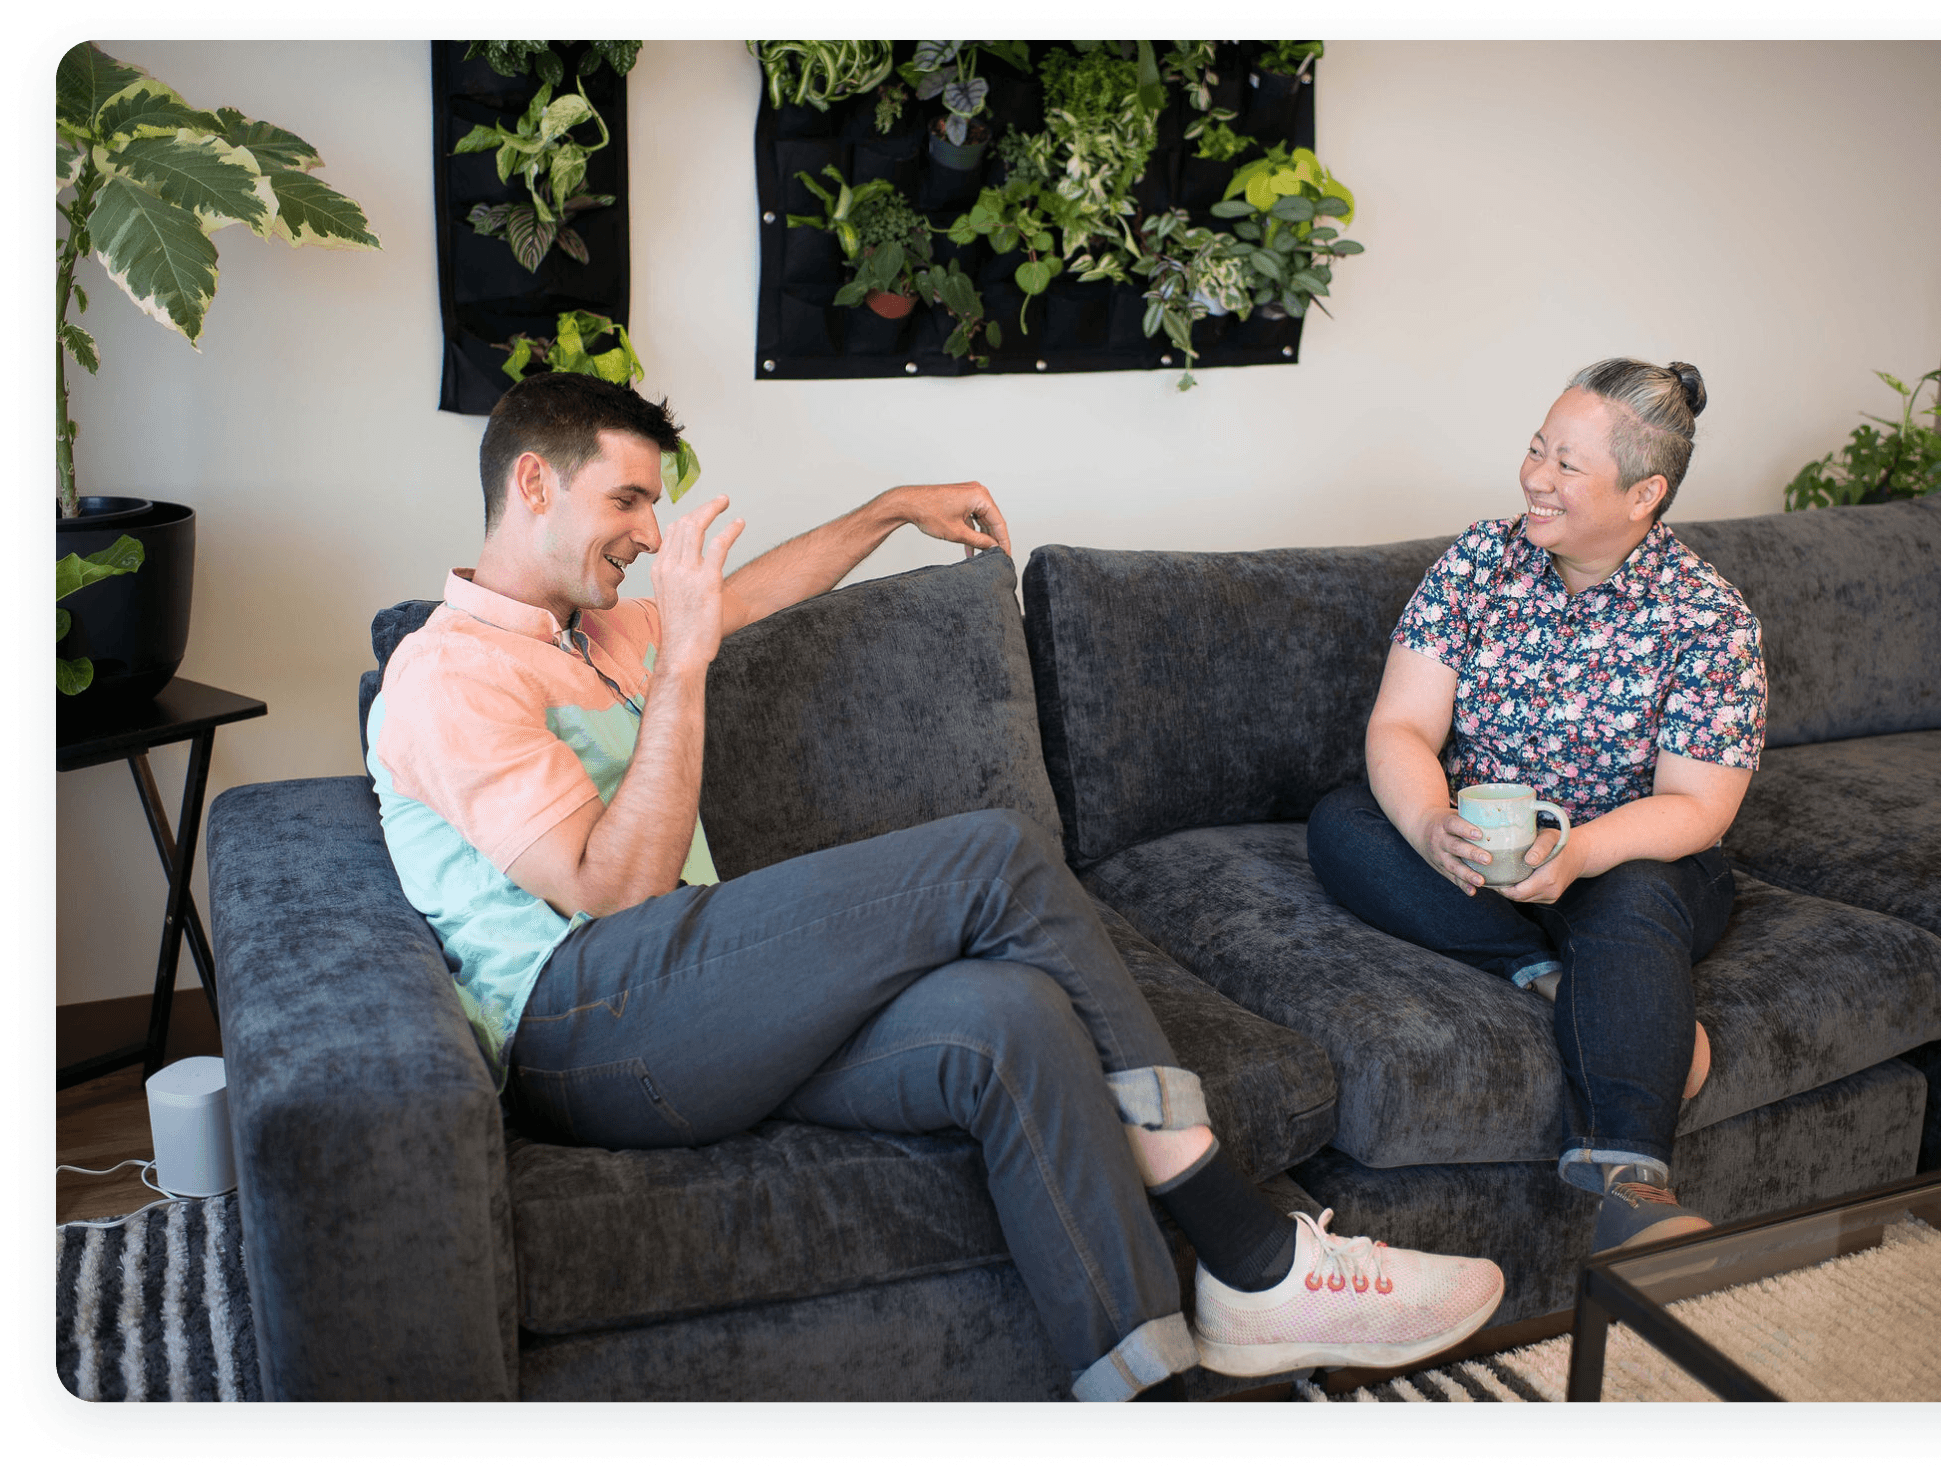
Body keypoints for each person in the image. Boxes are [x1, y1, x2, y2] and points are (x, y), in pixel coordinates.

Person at [364, 372, 1504, 1402]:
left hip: (693, 1009)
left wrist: (888, 509)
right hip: (585, 1028)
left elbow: (757, 592)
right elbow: (610, 891)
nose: (651, 535)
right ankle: (1243, 1239)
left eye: (653, 507)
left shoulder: (594, 635)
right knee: (993, 853)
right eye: (627, 502)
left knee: (1011, 1018)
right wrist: (688, 667)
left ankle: (1147, 1397)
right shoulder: (447, 674)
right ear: (532, 483)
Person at [1305, 359, 1766, 1254]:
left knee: (1632, 901)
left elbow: (1696, 806)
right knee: (1345, 824)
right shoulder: (1482, 559)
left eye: (1566, 466)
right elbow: (1400, 724)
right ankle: (1566, 980)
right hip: (1480, 850)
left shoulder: (1709, 618)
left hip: (1633, 856)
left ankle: (1633, 1188)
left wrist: (1583, 852)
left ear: (1645, 494)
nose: (1534, 479)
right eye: (1534, 451)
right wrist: (1430, 822)